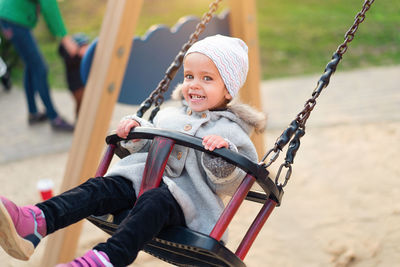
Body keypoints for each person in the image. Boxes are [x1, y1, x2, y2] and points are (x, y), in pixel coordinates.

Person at [0, 35, 267, 266]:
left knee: (154, 201)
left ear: (229, 90)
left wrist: (220, 157)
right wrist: (135, 131)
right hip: (139, 184)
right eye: (189, 76)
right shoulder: (170, 115)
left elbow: (234, 183)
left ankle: (103, 260)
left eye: (207, 78)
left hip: (187, 207)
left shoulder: (231, 132)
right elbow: (147, 144)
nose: (194, 84)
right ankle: (35, 221)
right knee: (100, 187)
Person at [0, 0, 78, 132]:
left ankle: (33, 113)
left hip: (12, 17)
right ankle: (54, 118)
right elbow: (49, 5)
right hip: (13, 18)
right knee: (40, 69)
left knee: (31, 65)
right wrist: (64, 37)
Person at [58, 33, 90, 119]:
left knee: (86, 103)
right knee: (81, 103)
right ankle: (79, 120)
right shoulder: (71, 58)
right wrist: (77, 54)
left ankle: (83, 119)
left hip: (84, 84)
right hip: (76, 86)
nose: (86, 49)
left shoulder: (85, 58)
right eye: (83, 46)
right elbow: (64, 52)